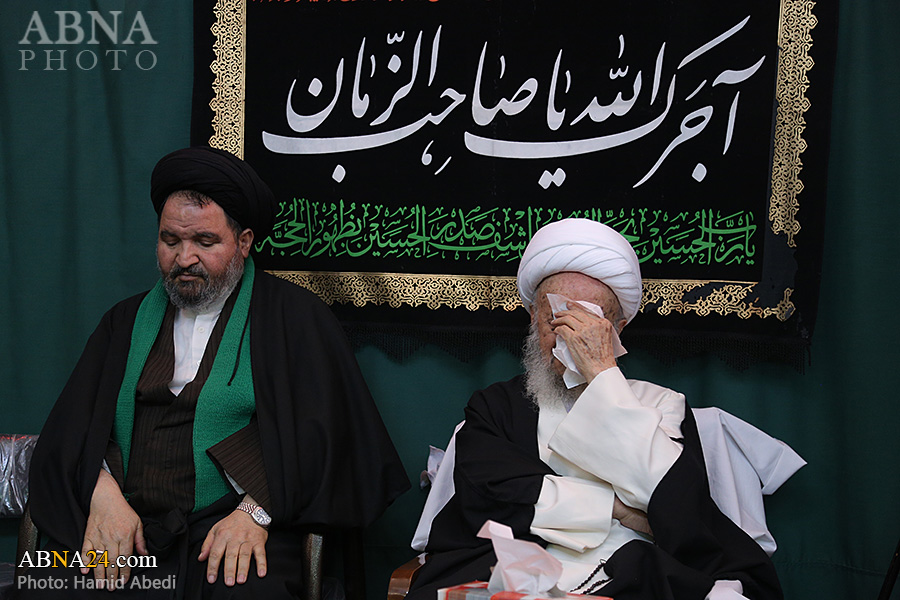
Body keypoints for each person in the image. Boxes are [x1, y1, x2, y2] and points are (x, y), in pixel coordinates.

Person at [20, 147, 410, 599]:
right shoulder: (123, 322)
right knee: (51, 582)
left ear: (243, 242)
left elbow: (330, 444)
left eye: (205, 242)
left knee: (245, 592)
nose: (184, 258)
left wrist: (255, 512)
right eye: (170, 241)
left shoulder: (294, 319)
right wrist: (102, 495)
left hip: (232, 523)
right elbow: (70, 433)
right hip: (128, 525)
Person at [406, 219, 782, 600]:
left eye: (588, 322)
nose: (568, 336)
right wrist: (618, 509)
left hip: (630, 577)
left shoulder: (662, 404)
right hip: (515, 570)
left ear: (617, 328)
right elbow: (493, 497)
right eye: (556, 316)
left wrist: (602, 376)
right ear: (533, 317)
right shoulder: (496, 406)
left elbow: (676, 505)